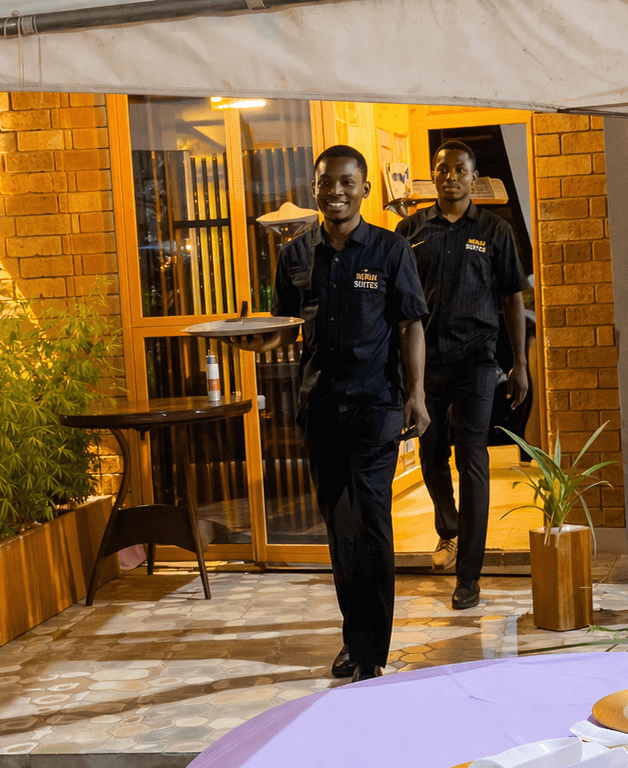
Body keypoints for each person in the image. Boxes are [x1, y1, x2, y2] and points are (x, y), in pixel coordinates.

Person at [248, 144, 429, 683]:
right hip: (319, 407)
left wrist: (415, 395)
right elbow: (282, 329)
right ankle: (355, 638)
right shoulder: (296, 256)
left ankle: (370, 651)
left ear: (365, 189)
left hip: (376, 405)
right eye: (328, 183)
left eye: (348, 182)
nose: (337, 192)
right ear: (315, 189)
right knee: (340, 528)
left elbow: (411, 323)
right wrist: (252, 342)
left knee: (371, 524)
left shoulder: (392, 251)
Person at [393, 140, 528, 609]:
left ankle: (469, 575)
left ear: (475, 178)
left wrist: (519, 364)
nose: (450, 176)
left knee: (472, 458)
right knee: (431, 456)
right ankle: (448, 528)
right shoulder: (410, 230)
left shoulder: (494, 230)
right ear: (435, 177)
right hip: (424, 362)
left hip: (477, 360)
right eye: (442, 170)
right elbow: (398, 306)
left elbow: (513, 297)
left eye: (460, 170)